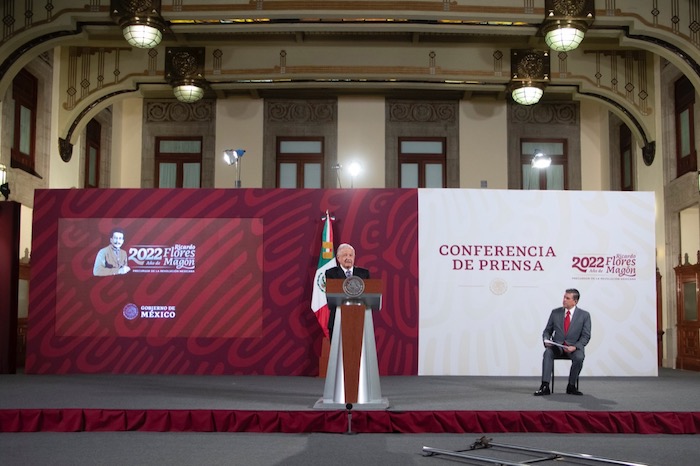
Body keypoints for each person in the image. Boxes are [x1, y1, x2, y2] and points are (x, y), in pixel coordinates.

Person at [534, 288, 591, 396]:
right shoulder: (555, 312)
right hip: (557, 346)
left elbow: (586, 336)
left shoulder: (584, 315)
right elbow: (547, 331)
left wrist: (575, 347)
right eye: (564, 297)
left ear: (575, 301)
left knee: (579, 357)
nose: (564, 300)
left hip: (574, 348)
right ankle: (545, 386)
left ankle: (571, 386)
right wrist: (546, 339)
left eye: (567, 298)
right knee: (547, 353)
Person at [325, 243, 370, 339]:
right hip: (338, 320)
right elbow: (333, 293)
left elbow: (369, 294)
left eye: (350, 255)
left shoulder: (364, 273)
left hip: (359, 320)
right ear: (338, 258)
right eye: (345, 255)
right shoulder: (331, 273)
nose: (348, 258)